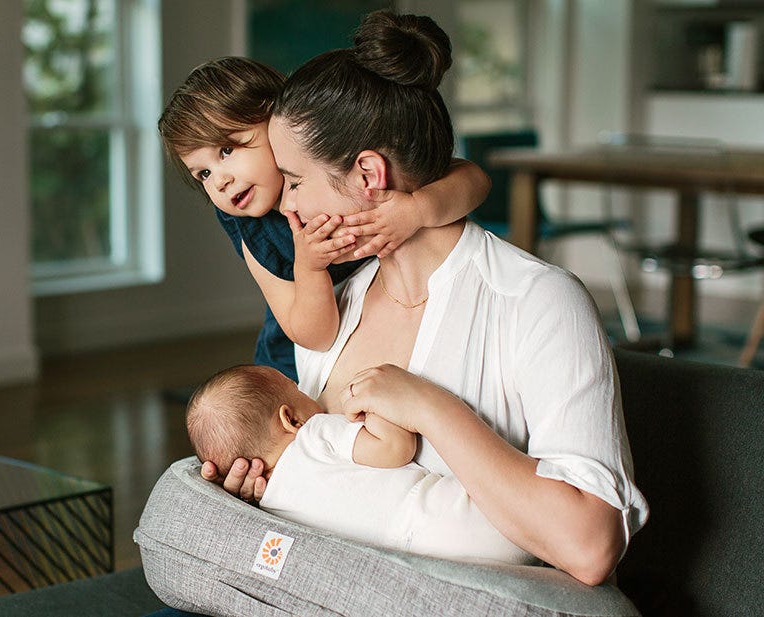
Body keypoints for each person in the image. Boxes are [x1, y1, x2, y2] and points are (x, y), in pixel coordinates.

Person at [204, 9, 649, 587]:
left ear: (368, 174)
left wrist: (434, 410)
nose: (285, 210)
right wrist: (271, 484)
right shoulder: (335, 311)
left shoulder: (537, 302)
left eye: (293, 181)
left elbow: (590, 548)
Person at [158, 57, 490, 382]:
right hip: (297, 364)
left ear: (276, 117)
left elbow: (473, 178)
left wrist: (417, 209)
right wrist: (309, 267)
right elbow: (314, 336)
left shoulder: (338, 163)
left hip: (383, 330)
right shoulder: (251, 226)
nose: (219, 181)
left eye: (226, 151)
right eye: (203, 173)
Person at [187, 364, 536, 566]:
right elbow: (395, 447)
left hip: (420, 560)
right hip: (455, 518)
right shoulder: (315, 434)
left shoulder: (271, 505)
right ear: (290, 419)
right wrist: (373, 405)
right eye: (298, 389)